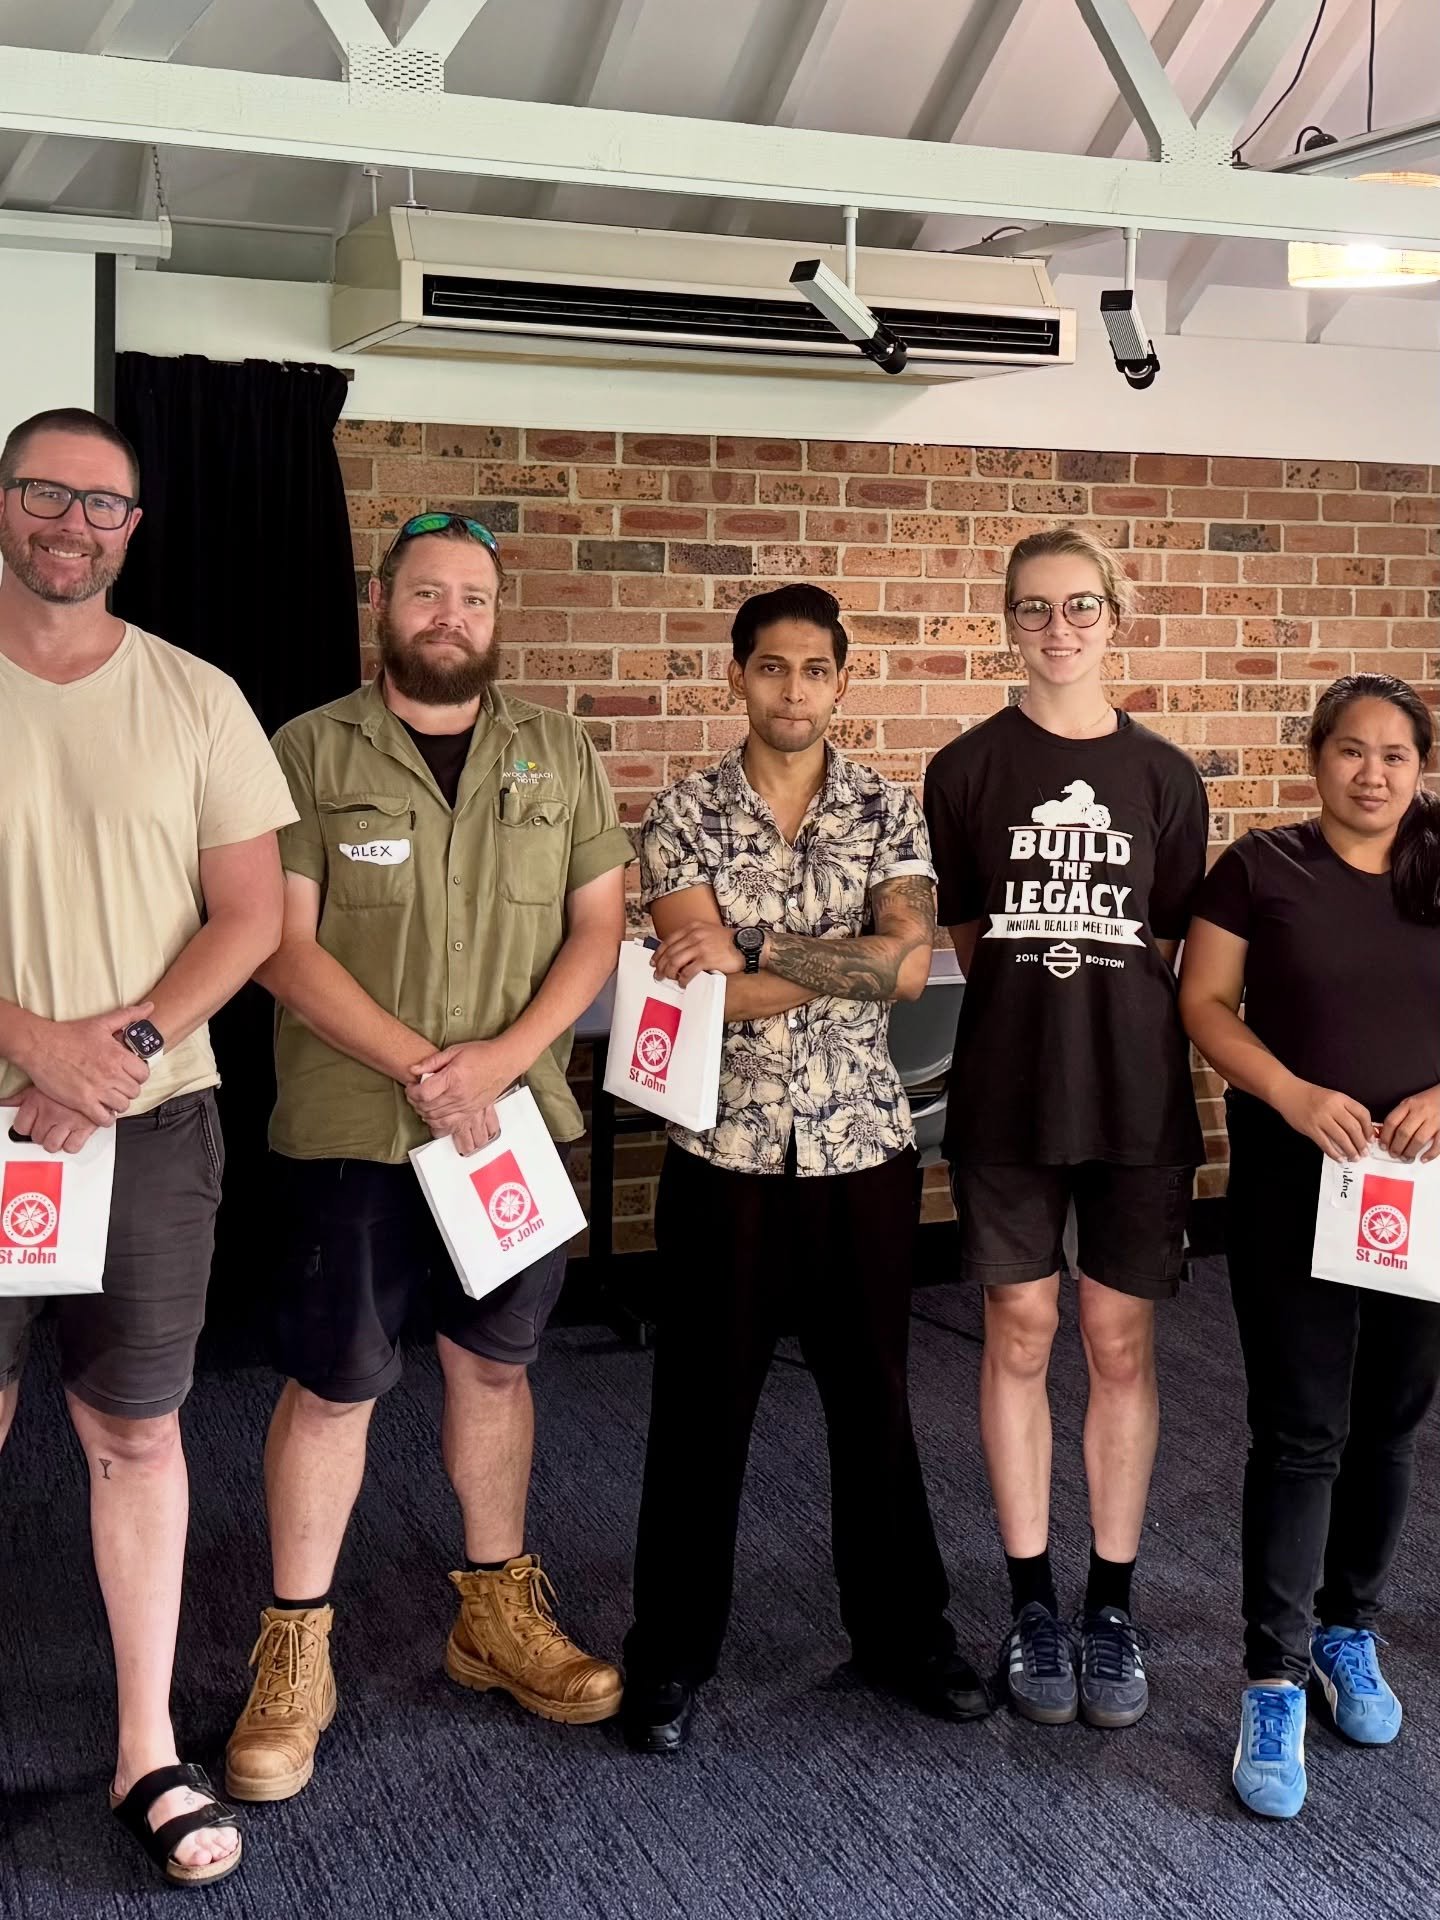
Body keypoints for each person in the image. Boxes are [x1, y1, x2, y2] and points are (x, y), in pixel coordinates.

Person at [224, 511, 632, 1804]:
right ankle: (295, 1648)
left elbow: (596, 930)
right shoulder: (303, 750)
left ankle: (494, 1615)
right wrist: (423, 1067)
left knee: (496, 1372)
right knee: (334, 1386)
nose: (449, 615)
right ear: (382, 603)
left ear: (497, 616)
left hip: (511, 1133)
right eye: (426, 594)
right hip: (357, 1132)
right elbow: (282, 949)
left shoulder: (559, 753)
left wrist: (501, 1061)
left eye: (473, 597)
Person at [0, 408, 298, 1886]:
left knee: (135, 1432)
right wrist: (27, 1040)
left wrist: (106, 1054)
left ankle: (143, 1751)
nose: (73, 522)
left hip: (149, 1119)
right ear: (5, 503)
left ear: (134, 527)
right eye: (47, 493)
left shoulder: (196, 696)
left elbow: (247, 915)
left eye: (102, 503)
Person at [621, 581, 989, 1754]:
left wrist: (764, 946)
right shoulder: (681, 813)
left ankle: (903, 1635)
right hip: (721, 1154)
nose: (792, 690)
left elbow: (909, 974)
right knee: (699, 1412)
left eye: (813, 670)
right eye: (770, 667)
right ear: (736, 676)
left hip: (861, 1153)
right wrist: (832, 962)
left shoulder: (888, 811)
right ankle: (671, 1655)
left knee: (874, 1403)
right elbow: (705, 992)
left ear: (842, 679)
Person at [923, 525, 1207, 1731]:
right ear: (1007, 621)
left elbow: (1173, 950)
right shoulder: (965, 769)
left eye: (1079, 607)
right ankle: (1033, 1597)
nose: (1058, 630)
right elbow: (968, 939)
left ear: (1114, 618)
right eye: (1034, 609)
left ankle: (1113, 1601)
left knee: (1119, 1340)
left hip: (1137, 1100)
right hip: (1009, 1095)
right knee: (1024, 1326)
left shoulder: (1168, 780)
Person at [1179, 672, 1440, 1820]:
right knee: (1300, 1431)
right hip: (1299, 1185)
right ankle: (1273, 1675)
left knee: (1389, 1422)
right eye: (1351, 750)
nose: (1372, 772)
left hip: (1423, 1192)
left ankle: (1349, 1631)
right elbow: (1205, 1004)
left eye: (1395, 754)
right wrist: (1290, 1094)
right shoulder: (1257, 868)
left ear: (1420, 769)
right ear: (1315, 759)